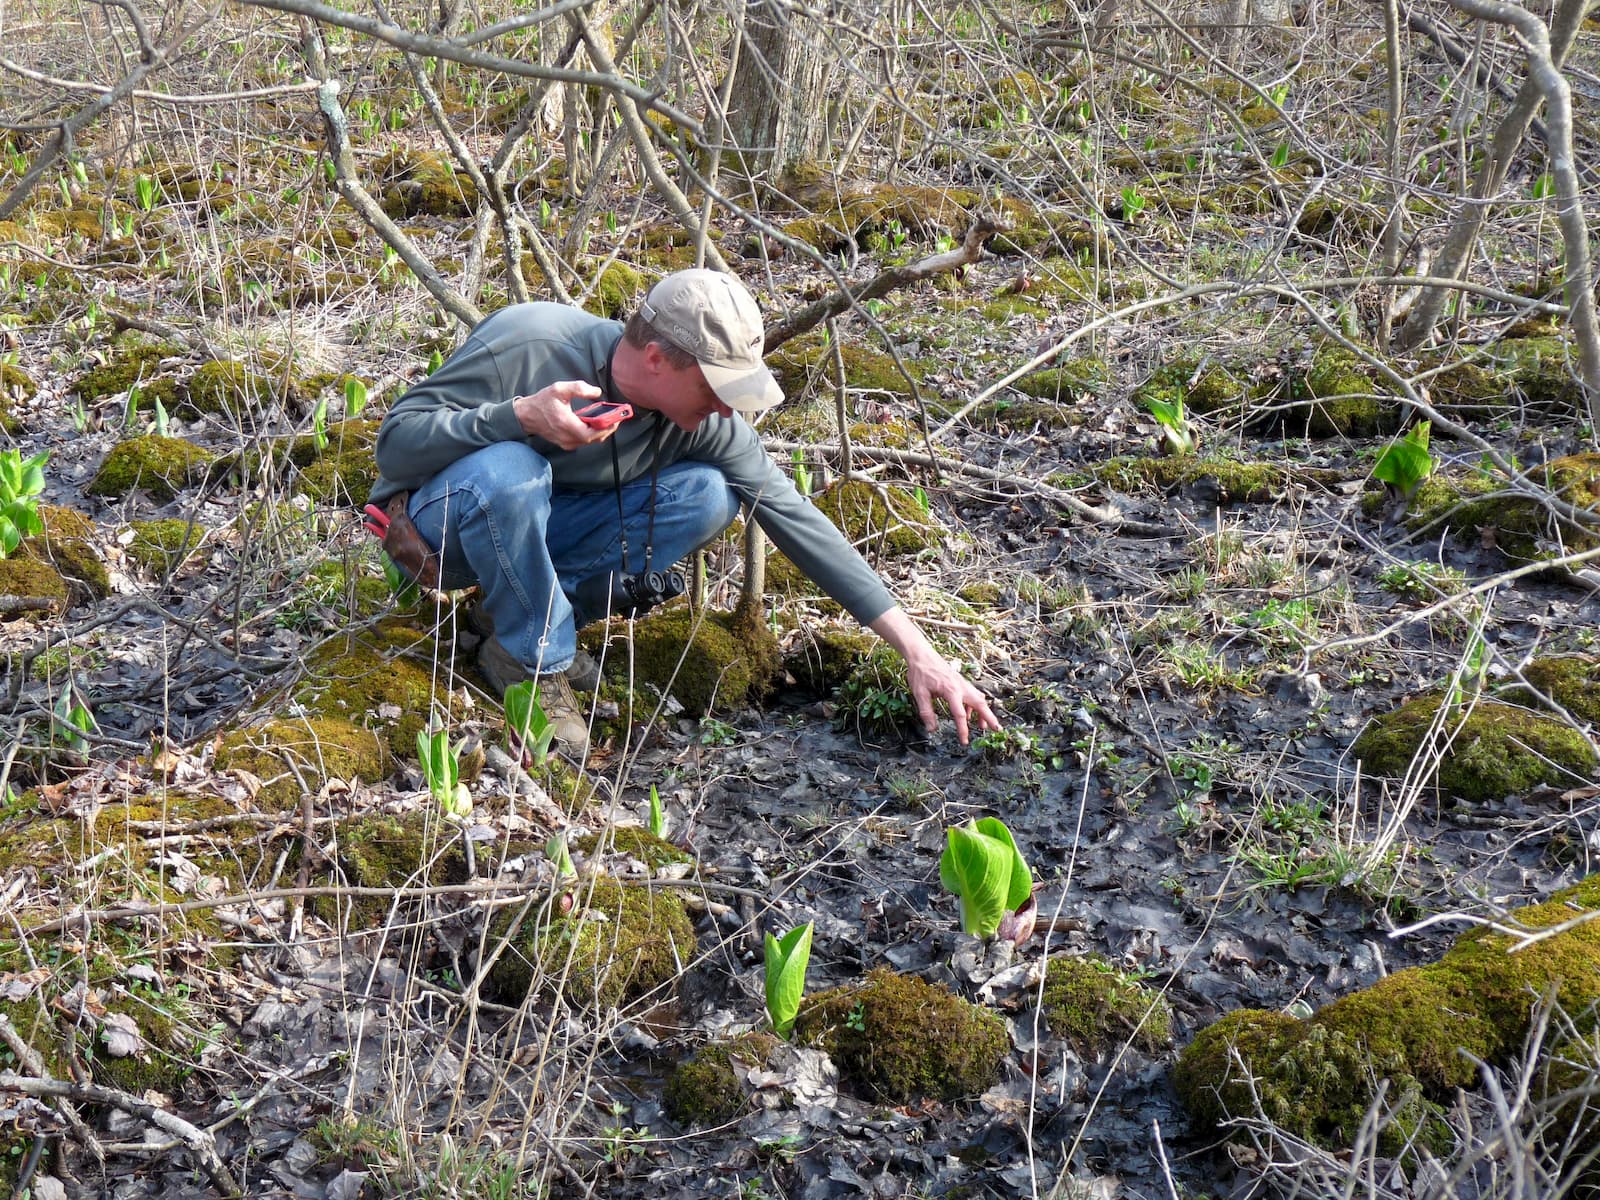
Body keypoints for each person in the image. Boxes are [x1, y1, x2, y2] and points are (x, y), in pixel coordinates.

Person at [367, 268, 1000, 755]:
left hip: (536, 530)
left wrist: (919, 651)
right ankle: (536, 664)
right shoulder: (533, 343)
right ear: (655, 359)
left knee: (708, 497)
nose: (728, 409)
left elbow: (791, 513)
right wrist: (519, 417)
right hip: (437, 531)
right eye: (717, 388)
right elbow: (394, 442)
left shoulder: (699, 423)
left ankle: (510, 629)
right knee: (515, 469)